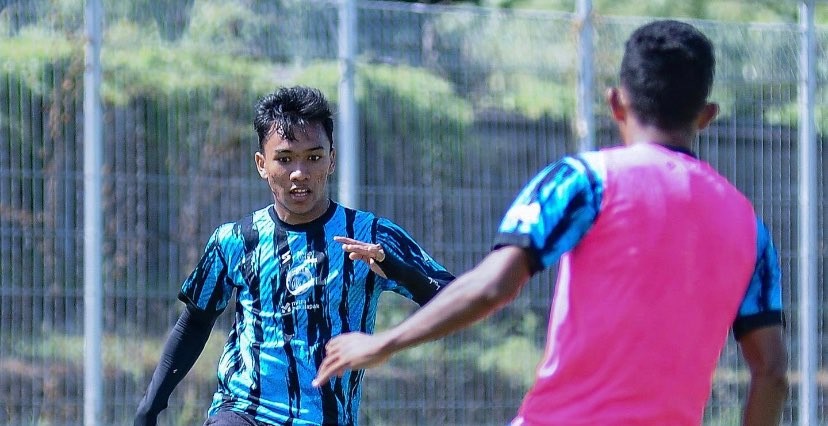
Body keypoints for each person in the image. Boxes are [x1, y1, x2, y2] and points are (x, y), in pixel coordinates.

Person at [314, 20, 788, 425]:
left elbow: (492, 287)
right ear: (706, 117)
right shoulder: (749, 227)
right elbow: (770, 371)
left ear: (616, 103)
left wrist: (383, 343)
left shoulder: (584, 181)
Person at [134, 86, 455, 426]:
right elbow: (195, 322)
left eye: (313, 157)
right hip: (243, 413)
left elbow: (454, 299)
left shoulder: (370, 235)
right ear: (262, 164)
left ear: (331, 160)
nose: (299, 172)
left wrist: (397, 269)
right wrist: (150, 407)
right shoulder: (234, 241)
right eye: (285, 159)